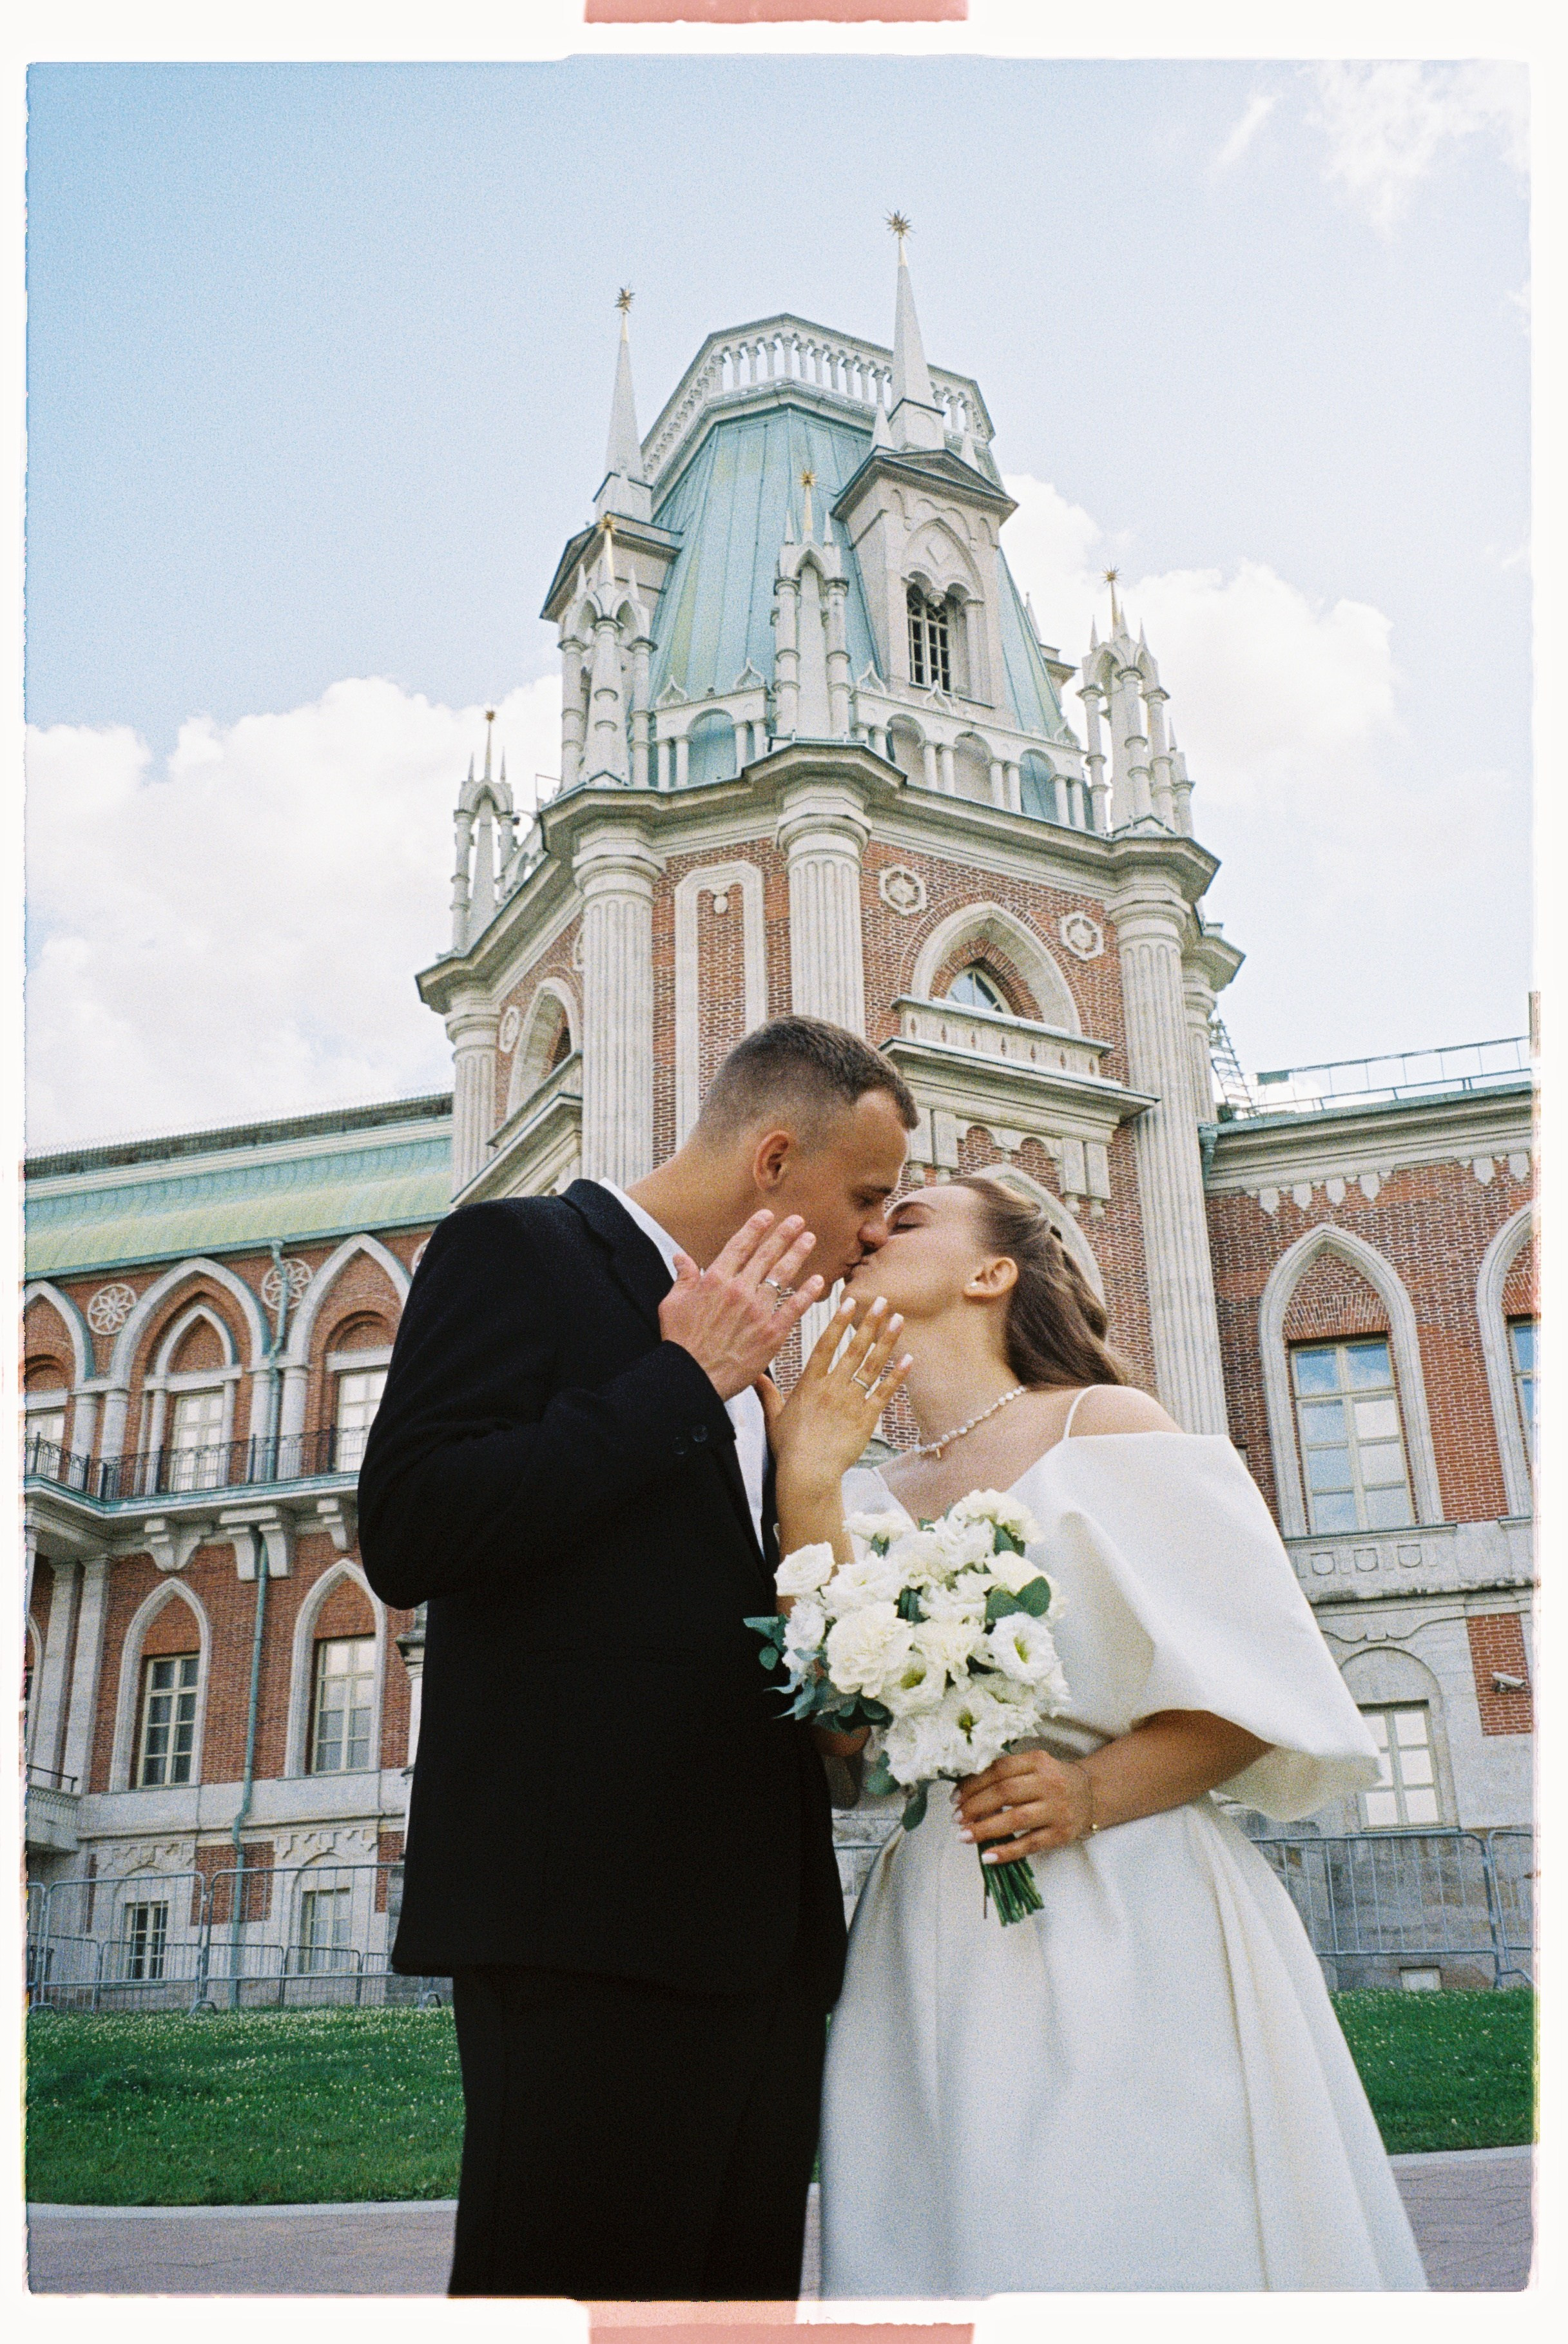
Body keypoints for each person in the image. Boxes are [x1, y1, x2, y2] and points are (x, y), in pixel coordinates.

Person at [764, 1170, 1429, 2294]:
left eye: (909, 1217)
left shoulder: (1106, 1425)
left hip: (1131, 1894)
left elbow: (1252, 1698)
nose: (869, 1229)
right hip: (939, 1914)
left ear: (992, 1272)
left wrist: (1087, 1795)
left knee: (1136, 2216)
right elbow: (844, 1743)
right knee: (961, 2232)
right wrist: (809, 1483)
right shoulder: (862, 1489)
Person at [356, 1017, 917, 2301]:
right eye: (866, 1197)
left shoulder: (767, 1350)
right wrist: (679, 1380)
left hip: (760, 1951)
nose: (877, 1233)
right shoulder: (520, 1251)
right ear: (773, 1158)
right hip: (583, 1936)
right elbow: (412, 1526)